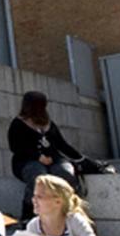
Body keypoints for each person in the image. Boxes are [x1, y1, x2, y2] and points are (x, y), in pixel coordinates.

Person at [8, 91, 88, 221]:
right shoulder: (18, 124)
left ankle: (70, 211)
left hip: (53, 160)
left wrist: (82, 159)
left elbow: (62, 145)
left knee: (65, 173)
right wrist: (37, 156)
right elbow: (15, 147)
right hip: (27, 161)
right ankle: (29, 216)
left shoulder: (49, 124)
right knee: (38, 177)